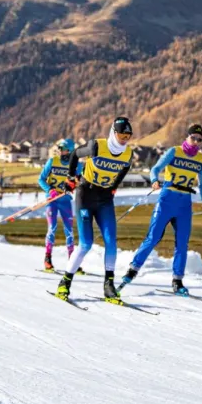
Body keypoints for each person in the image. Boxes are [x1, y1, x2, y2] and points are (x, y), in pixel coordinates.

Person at [120, 124, 202, 296]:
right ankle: (132, 270)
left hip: (185, 202)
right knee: (153, 237)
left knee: (182, 243)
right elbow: (155, 169)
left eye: (199, 140)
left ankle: (177, 281)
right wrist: (154, 180)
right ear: (187, 137)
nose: (196, 142)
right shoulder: (174, 152)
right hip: (167, 199)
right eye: (193, 138)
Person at [55, 117, 134, 301]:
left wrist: (114, 186)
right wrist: (70, 178)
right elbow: (75, 154)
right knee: (86, 244)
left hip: (105, 198)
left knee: (111, 241)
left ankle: (109, 285)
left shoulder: (128, 154)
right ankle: (65, 282)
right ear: (113, 133)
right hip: (85, 194)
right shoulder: (97, 146)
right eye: (122, 135)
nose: (124, 139)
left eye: (128, 136)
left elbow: (124, 169)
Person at [37, 138, 83, 272]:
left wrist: (76, 185)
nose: (61, 152)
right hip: (52, 200)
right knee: (52, 227)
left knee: (69, 230)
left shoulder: (77, 166)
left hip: (65, 200)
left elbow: (80, 182)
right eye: (60, 149)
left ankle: (72, 262)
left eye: (64, 149)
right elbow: (41, 179)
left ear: (70, 150)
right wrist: (49, 190)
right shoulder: (52, 161)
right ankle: (47, 259)